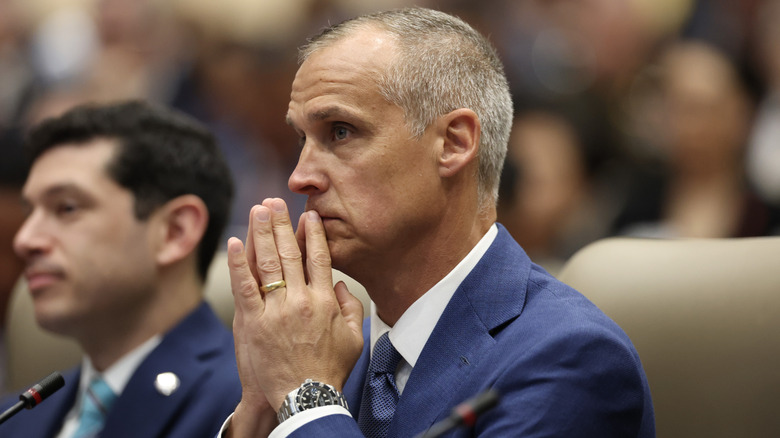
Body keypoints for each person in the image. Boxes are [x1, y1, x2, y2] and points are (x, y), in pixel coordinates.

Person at [223, 7, 654, 438]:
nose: (300, 177)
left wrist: (306, 395)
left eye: (340, 131)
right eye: (302, 140)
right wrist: (261, 416)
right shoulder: (328, 347)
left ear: (453, 144)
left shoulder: (570, 357)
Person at [0, 100, 242, 437]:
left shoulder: (249, 407)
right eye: (31, 213)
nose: (25, 240)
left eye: (66, 208)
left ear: (175, 231)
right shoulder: (14, 417)